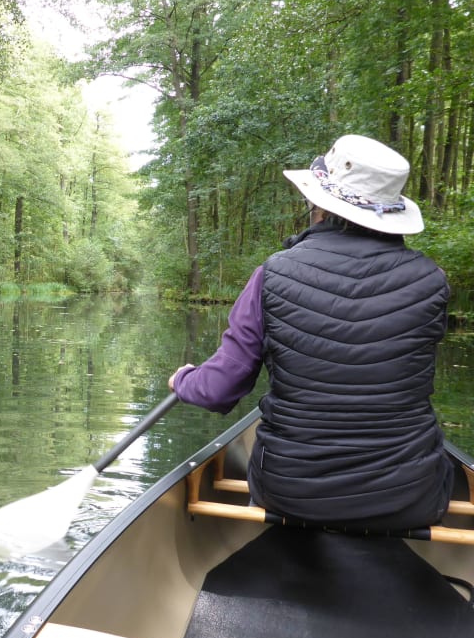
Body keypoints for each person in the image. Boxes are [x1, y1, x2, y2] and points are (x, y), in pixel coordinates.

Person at [169, 134, 453, 531]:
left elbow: (218, 390)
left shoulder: (273, 274)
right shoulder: (432, 281)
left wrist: (183, 380)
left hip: (290, 491)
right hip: (410, 496)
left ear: (320, 205)